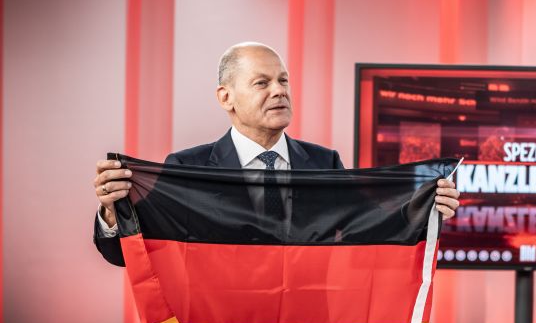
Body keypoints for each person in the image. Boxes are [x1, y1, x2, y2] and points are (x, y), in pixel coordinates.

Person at [92, 42, 460, 266]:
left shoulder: (324, 164)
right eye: (262, 83)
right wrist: (112, 212)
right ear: (226, 97)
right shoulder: (187, 168)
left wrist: (426, 208)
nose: (279, 91)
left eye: (283, 80)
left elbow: (369, 233)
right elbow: (129, 254)